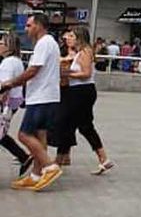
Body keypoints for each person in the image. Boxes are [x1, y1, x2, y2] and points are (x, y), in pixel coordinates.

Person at [0, 11, 63, 190]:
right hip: (46, 96)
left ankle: (50, 167)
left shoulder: (44, 43)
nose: (26, 29)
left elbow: (33, 70)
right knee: (39, 135)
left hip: (42, 97)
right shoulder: (49, 43)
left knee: (24, 135)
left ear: (39, 25)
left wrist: (10, 83)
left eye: (29, 25)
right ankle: (36, 175)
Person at [55, 26, 114, 175]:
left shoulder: (85, 51)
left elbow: (86, 73)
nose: (68, 38)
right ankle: (102, 158)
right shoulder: (79, 52)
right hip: (78, 91)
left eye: (72, 36)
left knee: (72, 124)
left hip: (82, 91)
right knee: (81, 125)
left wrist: (67, 74)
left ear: (79, 38)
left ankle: (59, 160)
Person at [0, 32, 31, 177]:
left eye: (1, 43)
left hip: (5, 104)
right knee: (1, 134)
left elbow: (5, 86)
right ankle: (23, 156)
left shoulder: (7, 63)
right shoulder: (17, 61)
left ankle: (23, 156)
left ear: (9, 46)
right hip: (13, 102)